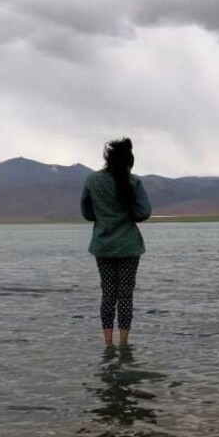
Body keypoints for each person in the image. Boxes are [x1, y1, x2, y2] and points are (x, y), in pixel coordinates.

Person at [81, 138, 152, 346]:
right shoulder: (133, 182)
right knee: (126, 295)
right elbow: (144, 212)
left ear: (108, 159)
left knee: (108, 293)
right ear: (129, 162)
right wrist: (127, 215)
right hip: (129, 246)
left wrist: (103, 216)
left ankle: (108, 343)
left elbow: (87, 213)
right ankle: (124, 344)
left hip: (103, 246)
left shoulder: (92, 181)